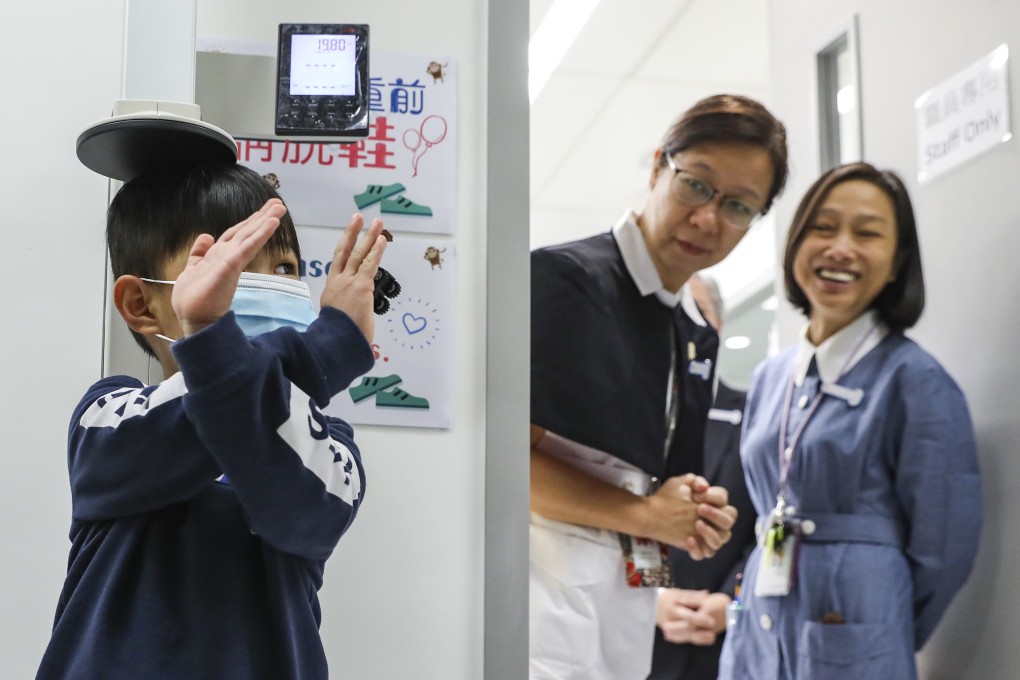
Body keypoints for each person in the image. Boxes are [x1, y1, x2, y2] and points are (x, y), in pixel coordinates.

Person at [36, 161, 388, 679]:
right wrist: (319, 354)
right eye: (229, 260)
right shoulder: (105, 415)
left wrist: (228, 346)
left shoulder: (330, 443)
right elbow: (186, 419)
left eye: (286, 268)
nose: (268, 283)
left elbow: (305, 512)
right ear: (142, 305)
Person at [530, 94, 789, 680]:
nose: (707, 219)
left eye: (739, 206)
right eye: (696, 185)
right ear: (657, 167)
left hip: (621, 616)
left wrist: (693, 516)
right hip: (541, 612)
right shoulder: (567, 284)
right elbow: (503, 467)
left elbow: (653, 481)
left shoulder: (689, 330)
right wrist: (647, 515)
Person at [717, 162, 982, 679]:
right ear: (796, 243)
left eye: (867, 233)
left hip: (858, 637)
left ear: (895, 260)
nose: (841, 248)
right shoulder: (772, 377)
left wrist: (873, 615)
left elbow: (945, 549)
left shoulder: (917, 381)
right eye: (823, 227)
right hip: (759, 627)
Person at [648, 274, 757, 680]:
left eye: (695, 312)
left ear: (718, 325)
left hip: (726, 649)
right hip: (632, 645)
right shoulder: (615, 423)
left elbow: (772, 529)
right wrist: (650, 601)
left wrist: (734, 603)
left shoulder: (757, 418)